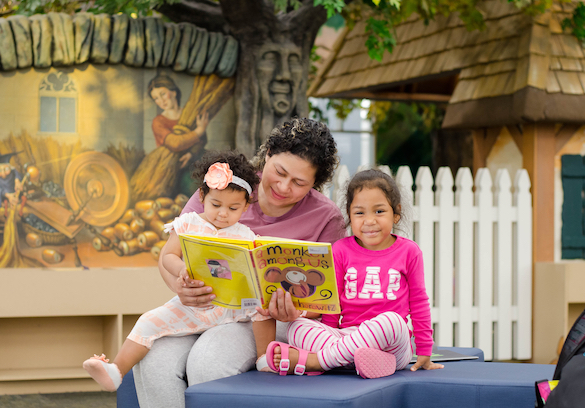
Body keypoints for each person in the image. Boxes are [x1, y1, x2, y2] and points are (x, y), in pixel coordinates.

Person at [132, 118, 346, 408]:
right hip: (202, 309)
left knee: (208, 361)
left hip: (267, 321)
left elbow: (330, 295)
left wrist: (298, 311)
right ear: (267, 155)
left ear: (315, 184)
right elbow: (169, 256)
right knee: (151, 356)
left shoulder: (326, 217)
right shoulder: (222, 188)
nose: (283, 187)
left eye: (299, 183)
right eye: (279, 172)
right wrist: (181, 289)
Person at [82, 150, 269, 391]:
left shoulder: (244, 235)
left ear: (245, 208)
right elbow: (169, 256)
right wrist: (182, 269)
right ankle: (116, 371)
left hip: (232, 310)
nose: (223, 213)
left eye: (233, 208)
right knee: (147, 320)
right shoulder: (189, 224)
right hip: (195, 305)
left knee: (262, 307)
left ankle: (265, 358)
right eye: (216, 204)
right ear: (202, 195)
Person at [265, 168, 445, 378]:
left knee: (392, 321)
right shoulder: (340, 250)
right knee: (296, 327)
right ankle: (355, 361)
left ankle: (318, 361)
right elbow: (332, 303)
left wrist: (424, 349)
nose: (369, 221)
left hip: (391, 342)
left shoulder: (409, 251)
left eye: (379, 211)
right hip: (347, 336)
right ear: (349, 215)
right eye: (360, 213)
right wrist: (327, 330)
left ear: (396, 214)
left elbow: (419, 302)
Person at [148, 74, 209, 197]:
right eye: (156, 98)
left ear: (174, 92)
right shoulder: (158, 121)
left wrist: (191, 154)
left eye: (163, 94)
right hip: (173, 168)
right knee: (190, 188)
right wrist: (199, 130)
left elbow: (202, 139)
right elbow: (175, 143)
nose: (161, 101)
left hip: (195, 160)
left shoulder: (188, 114)